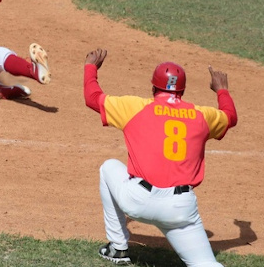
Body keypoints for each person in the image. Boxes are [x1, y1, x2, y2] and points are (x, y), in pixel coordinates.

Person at [83, 48, 238, 266]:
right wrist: (221, 90)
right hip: (180, 210)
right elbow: (230, 117)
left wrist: (91, 67)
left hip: (138, 201)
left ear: (153, 87)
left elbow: (92, 98)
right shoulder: (202, 115)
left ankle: (117, 248)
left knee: (109, 167)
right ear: (182, 91)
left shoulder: (135, 107)